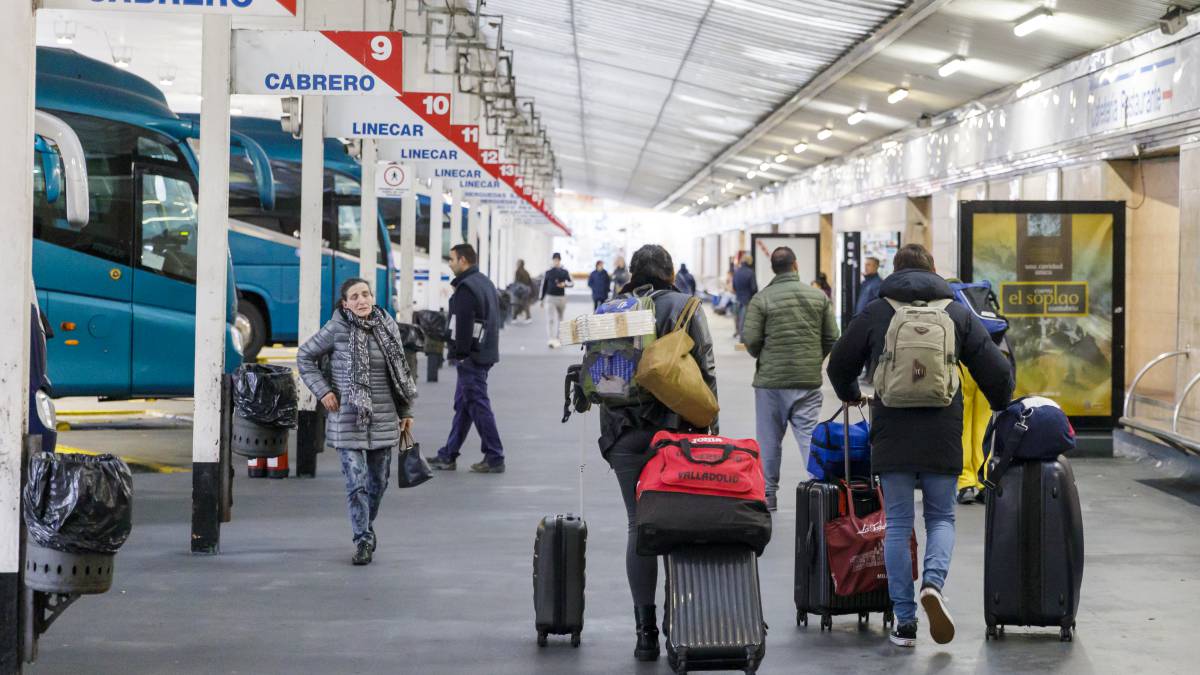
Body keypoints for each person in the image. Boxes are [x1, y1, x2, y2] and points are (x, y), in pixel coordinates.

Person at [826, 244, 1013, 649]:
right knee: (941, 518)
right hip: (943, 430)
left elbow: (839, 362)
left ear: (894, 272)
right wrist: (1002, 404)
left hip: (892, 429)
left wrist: (851, 394)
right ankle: (932, 584)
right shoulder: (956, 312)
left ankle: (905, 622)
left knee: (896, 523)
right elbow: (997, 371)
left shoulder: (878, 311)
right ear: (933, 269)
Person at [598, 244, 717, 663]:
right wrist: (711, 433)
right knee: (678, 527)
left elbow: (599, 373)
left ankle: (644, 633)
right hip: (675, 433)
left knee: (638, 525)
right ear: (670, 272)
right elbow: (705, 370)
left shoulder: (611, 307)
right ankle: (679, 627)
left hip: (622, 433)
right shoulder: (685, 306)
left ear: (632, 273)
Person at [297, 278, 418, 565]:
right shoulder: (337, 327)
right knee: (356, 482)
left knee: (378, 482)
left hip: (384, 416)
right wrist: (323, 391)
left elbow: (400, 372)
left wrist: (406, 411)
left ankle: (366, 524)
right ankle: (362, 538)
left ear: (373, 297)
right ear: (345, 303)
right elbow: (305, 356)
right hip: (347, 418)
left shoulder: (388, 326)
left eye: (366, 294)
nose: (362, 300)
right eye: (355, 297)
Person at [741, 247, 839, 511]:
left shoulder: (762, 299)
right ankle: (820, 492)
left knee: (769, 440)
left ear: (773, 268)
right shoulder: (818, 297)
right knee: (808, 437)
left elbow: (750, 339)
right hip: (807, 382)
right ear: (795, 265)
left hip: (770, 384)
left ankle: (769, 495)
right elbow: (832, 336)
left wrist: (764, 356)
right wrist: (813, 360)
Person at [428, 244, 506, 474]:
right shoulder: (484, 282)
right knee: (465, 405)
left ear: (463, 260)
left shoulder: (466, 288)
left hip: (471, 356)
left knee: (478, 404)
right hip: (485, 352)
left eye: (452, 259)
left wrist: (459, 355)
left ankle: (495, 456)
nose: (450, 263)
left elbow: (463, 325)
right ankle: (448, 455)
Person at [540, 252, 573, 348]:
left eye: (557, 260)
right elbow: (544, 286)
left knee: (561, 319)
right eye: (554, 260)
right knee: (550, 319)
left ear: (560, 260)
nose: (556, 262)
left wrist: (565, 284)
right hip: (550, 298)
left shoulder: (565, 271)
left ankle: (558, 338)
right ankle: (551, 339)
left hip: (561, 298)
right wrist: (541, 299)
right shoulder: (548, 272)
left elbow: (572, 283)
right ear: (552, 260)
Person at [731, 255, 757, 338]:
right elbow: (754, 288)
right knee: (745, 319)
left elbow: (734, 287)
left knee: (737, 317)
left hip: (738, 298)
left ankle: (737, 332)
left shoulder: (736, 272)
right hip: (747, 299)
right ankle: (743, 338)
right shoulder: (751, 272)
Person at [513, 259, 535, 324]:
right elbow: (530, 281)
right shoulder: (526, 272)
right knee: (525, 304)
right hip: (526, 290)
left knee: (519, 304)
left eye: (518, 263)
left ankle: (515, 317)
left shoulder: (518, 271)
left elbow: (516, 281)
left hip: (520, 291)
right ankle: (525, 317)